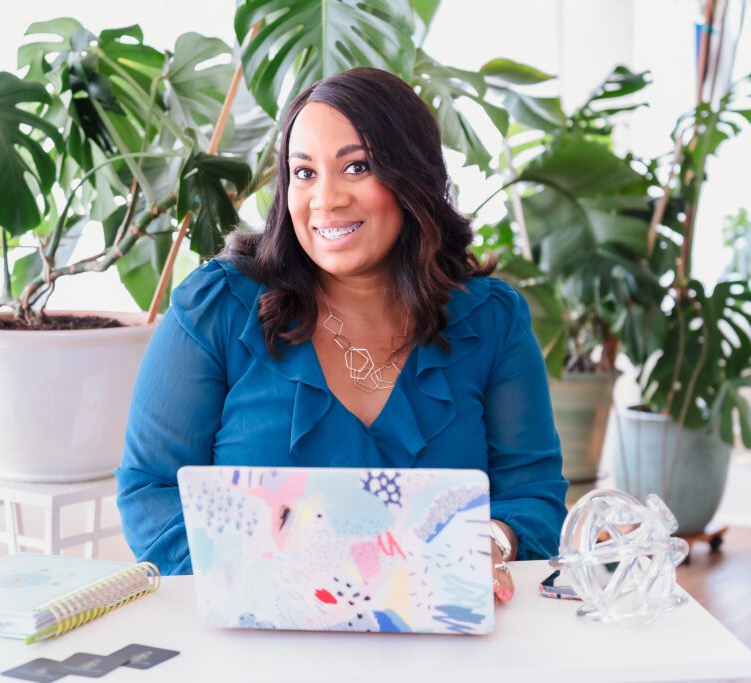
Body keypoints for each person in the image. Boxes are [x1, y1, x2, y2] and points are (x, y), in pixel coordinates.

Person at [116, 67, 568, 604]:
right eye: (303, 173)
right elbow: (150, 491)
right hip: (258, 640)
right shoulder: (216, 307)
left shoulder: (491, 319)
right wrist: (270, 585)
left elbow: (534, 496)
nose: (325, 200)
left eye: (357, 167)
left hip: (444, 643)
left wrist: (492, 543)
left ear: (412, 178)